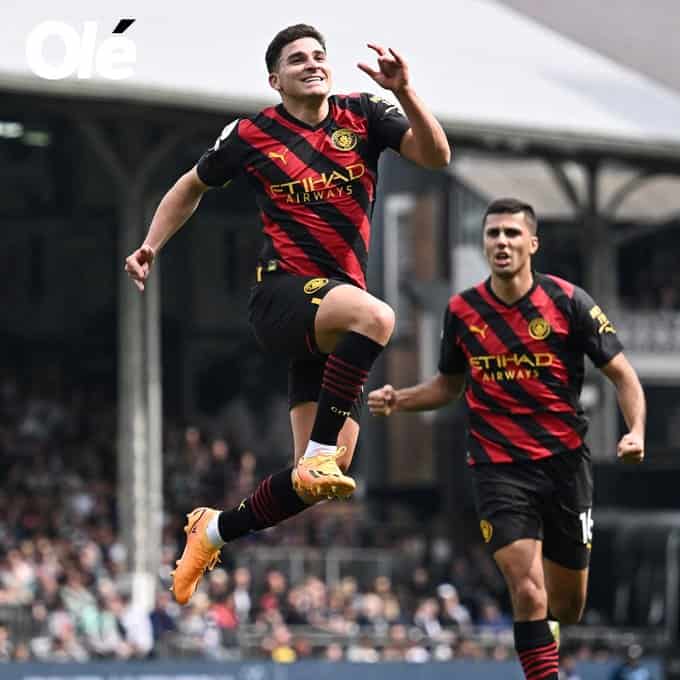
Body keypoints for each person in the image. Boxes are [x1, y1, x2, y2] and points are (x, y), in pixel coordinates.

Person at [124, 24, 450, 606]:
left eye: (320, 56)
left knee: (315, 481)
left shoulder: (366, 114)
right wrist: (152, 244)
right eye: (298, 59)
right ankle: (322, 451)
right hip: (283, 299)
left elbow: (435, 155)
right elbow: (189, 187)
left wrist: (405, 91)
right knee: (377, 319)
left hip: (334, 316)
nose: (313, 64)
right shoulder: (252, 134)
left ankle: (215, 530)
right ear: (275, 79)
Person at [368, 198, 646, 680]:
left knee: (566, 604)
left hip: (564, 465)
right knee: (528, 591)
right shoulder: (462, 311)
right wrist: (402, 399)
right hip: (498, 468)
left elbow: (623, 376)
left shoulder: (568, 302)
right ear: (484, 243)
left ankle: (549, 645)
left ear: (532, 244)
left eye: (512, 234)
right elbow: (449, 386)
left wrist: (636, 431)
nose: (502, 242)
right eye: (493, 233)